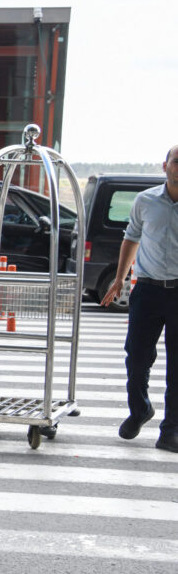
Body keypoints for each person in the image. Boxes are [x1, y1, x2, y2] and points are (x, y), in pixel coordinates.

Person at [100, 144, 178, 453]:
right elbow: (131, 237)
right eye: (176, 161)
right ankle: (139, 409)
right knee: (137, 356)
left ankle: (170, 430)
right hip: (146, 290)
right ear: (165, 166)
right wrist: (119, 279)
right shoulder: (145, 201)